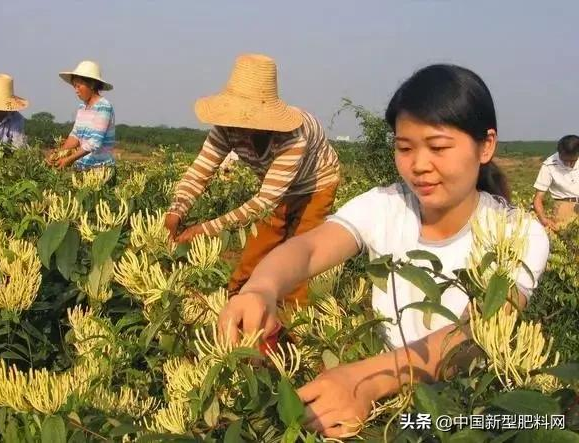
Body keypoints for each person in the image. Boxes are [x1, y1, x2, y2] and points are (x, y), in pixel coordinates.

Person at [217, 64, 550, 438]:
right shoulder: (385, 206)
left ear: (486, 145)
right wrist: (261, 288)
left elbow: (477, 335)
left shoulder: (519, 234)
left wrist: (365, 380)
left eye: (438, 147)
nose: (419, 165)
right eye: (404, 148)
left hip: (471, 414)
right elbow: (309, 249)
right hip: (390, 407)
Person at [164, 54, 341, 304]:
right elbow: (200, 171)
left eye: (248, 116)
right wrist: (176, 211)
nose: (240, 124)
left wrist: (204, 230)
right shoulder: (227, 128)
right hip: (274, 186)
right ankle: (237, 302)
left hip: (316, 185)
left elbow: (266, 201)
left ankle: (296, 327)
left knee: (300, 253)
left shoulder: (293, 135)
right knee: (257, 249)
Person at [48, 60, 116, 171]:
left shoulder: (104, 107)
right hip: (83, 168)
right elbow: (75, 136)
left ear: (92, 85)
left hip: (100, 169)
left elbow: (94, 142)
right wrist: (58, 154)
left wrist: (69, 159)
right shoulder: (82, 108)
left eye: (78, 86)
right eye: (74, 86)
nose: (76, 90)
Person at [533, 135, 579, 229]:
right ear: (560, 153)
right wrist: (543, 219)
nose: (568, 164)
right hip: (563, 208)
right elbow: (538, 198)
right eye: (565, 160)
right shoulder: (549, 165)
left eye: (572, 161)